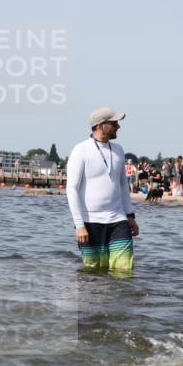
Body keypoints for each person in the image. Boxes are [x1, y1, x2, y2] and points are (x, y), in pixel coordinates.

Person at [66, 108, 139, 273]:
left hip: (118, 221)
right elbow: (72, 189)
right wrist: (79, 225)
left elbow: (123, 185)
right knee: (93, 272)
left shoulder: (119, 150)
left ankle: (121, 292)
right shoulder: (81, 150)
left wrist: (130, 215)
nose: (118, 126)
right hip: (90, 223)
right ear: (100, 125)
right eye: (114, 123)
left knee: (124, 271)